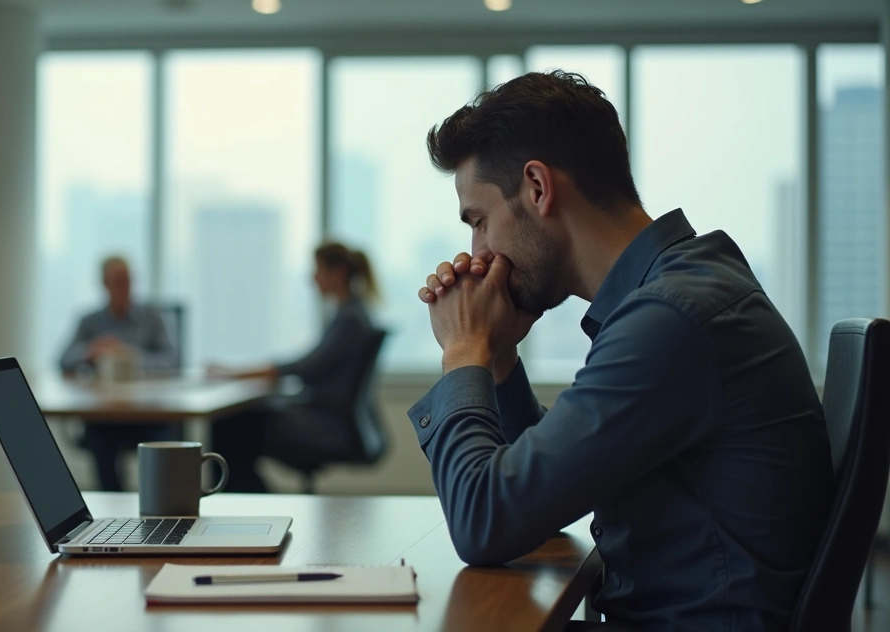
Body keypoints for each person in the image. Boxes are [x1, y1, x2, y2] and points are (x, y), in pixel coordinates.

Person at [410, 70, 833, 630]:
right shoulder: (677, 294)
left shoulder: (672, 320)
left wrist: (464, 350)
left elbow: (484, 522)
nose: (478, 253)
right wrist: (500, 357)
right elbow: (537, 497)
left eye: (480, 221)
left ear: (537, 187)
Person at [209, 242, 379, 493]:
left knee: (228, 429)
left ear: (339, 272)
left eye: (318, 270)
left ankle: (254, 504)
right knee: (237, 425)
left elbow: (306, 367)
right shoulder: (352, 313)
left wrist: (238, 373)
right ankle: (256, 501)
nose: (313, 278)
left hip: (327, 422)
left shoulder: (350, 319)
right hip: (328, 415)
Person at [59, 256, 179, 491]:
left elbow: (171, 360)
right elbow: (63, 361)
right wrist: (89, 351)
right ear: (104, 283)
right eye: (117, 280)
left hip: (148, 413)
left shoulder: (152, 317)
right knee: (99, 439)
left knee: (164, 445)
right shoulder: (90, 321)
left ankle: (158, 500)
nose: (125, 286)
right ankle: (113, 503)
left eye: (128, 280)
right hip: (105, 415)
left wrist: (129, 357)